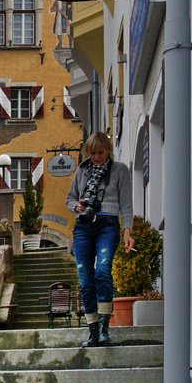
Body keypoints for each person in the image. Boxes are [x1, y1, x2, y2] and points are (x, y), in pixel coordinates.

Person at [65, 131, 135, 347]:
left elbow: (126, 203)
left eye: (101, 152)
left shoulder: (120, 170)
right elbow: (70, 198)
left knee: (103, 270)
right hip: (83, 226)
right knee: (86, 281)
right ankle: (93, 332)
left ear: (109, 150)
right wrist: (76, 206)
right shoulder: (82, 170)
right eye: (93, 153)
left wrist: (127, 231)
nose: (96, 157)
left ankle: (105, 329)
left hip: (108, 224)